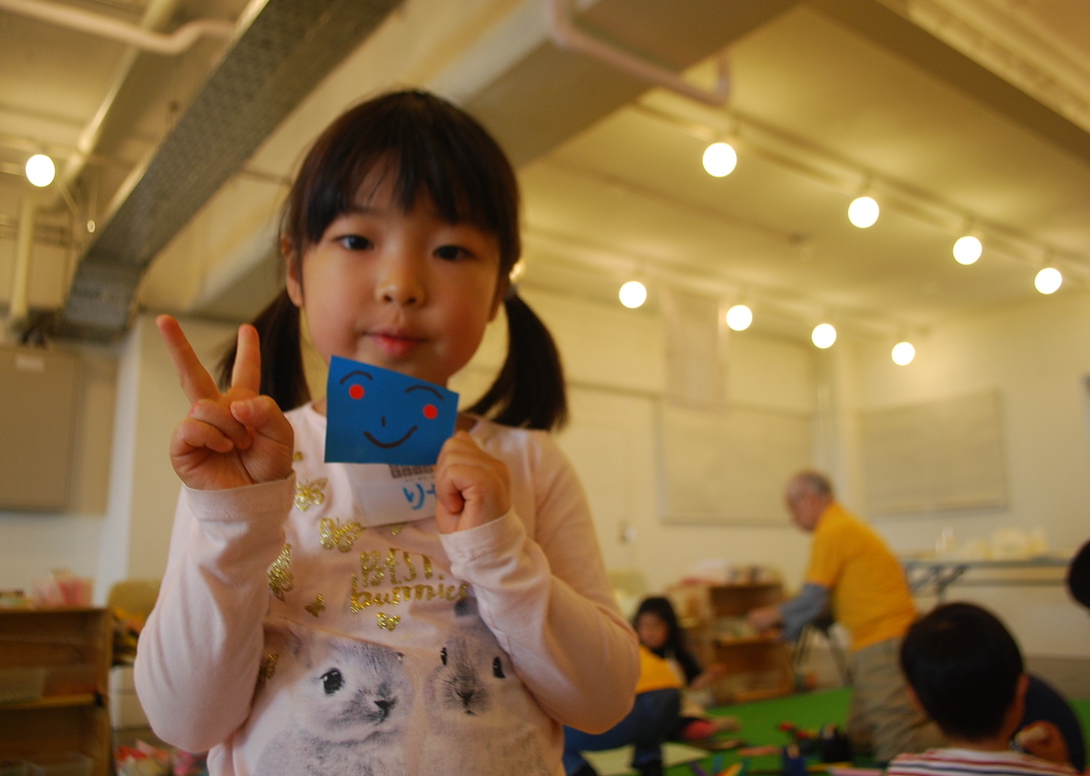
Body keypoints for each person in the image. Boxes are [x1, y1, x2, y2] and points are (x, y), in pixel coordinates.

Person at [134, 90, 639, 775]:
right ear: (294, 269)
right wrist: (233, 523)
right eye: (357, 240)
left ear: (498, 290)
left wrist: (498, 551)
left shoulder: (529, 464)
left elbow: (603, 701)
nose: (402, 284)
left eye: (451, 249)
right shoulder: (243, 466)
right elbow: (185, 721)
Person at [747, 470, 943, 763]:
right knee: (860, 737)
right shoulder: (843, 526)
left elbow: (812, 598)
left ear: (808, 499)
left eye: (792, 508)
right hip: (875, 639)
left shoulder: (833, 530)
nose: (793, 518)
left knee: (895, 743)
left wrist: (771, 615)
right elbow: (825, 605)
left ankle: (967, 735)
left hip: (884, 640)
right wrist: (787, 628)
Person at [885, 602, 1079, 776]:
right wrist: (1061, 766)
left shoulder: (902, 770)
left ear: (916, 700)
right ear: (1021, 689)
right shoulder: (1058, 773)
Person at [563, 596, 734, 776]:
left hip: (665, 711)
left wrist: (708, 676)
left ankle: (581, 770)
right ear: (637, 626)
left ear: (669, 627)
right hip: (657, 712)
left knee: (555, 737)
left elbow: (693, 683)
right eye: (645, 626)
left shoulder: (673, 653)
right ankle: (650, 761)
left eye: (656, 626)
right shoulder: (632, 648)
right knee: (666, 726)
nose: (650, 632)